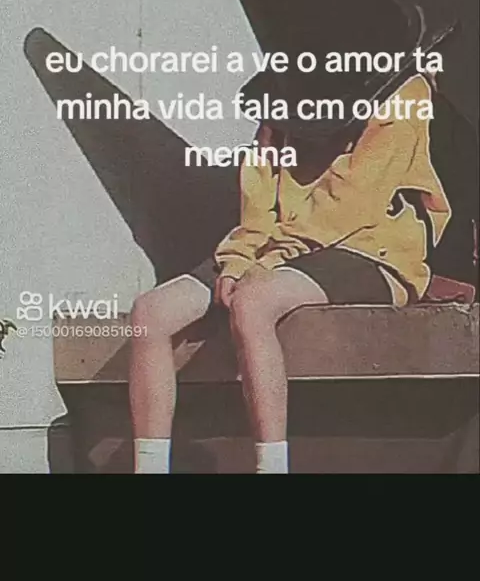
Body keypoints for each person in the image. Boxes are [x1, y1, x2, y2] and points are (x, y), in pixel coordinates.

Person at [129, 71, 451, 474]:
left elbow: (352, 204)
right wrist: (238, 259)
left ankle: (271, 469)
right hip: (279, 247)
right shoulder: (286, 87)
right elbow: (259, 194)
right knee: (151, 313)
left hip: (372, 247)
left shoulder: (404, 89)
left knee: (253, 301)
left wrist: (263, 264)